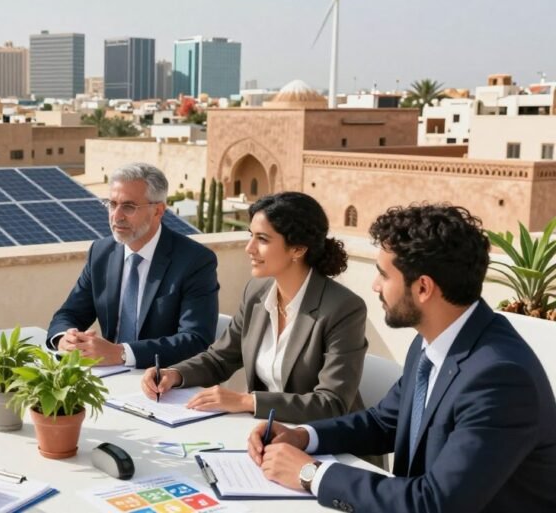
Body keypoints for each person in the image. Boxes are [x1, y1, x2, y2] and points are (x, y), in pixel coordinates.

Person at [248, 204, 556, 513]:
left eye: (384, 274)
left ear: (423, 287)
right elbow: (384, 422)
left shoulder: (499, 378)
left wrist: (311, 474)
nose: (375, 286)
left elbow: (436, 503)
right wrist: (303, 436)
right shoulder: (434, 342)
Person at [142, 192, 368, 422]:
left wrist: (247, 401)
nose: (249, 248)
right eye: (251, 236)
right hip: (268, 434)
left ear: (298, 249)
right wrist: (175, 374)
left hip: (330, 444)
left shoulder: (343, 308)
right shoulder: (257, 292)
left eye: (263, 239)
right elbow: (220, 359)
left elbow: (331, 403)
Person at [46, 163, 218, 369]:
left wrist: (122, 353)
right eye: (112, 204)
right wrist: (65, 338)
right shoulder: (101, 253)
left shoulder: (195, 260)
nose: (116, 216)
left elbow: (195, 339)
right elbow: (69, 314)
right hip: (106, 376)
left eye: (128, 206)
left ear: (158, 211)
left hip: (162, 382)